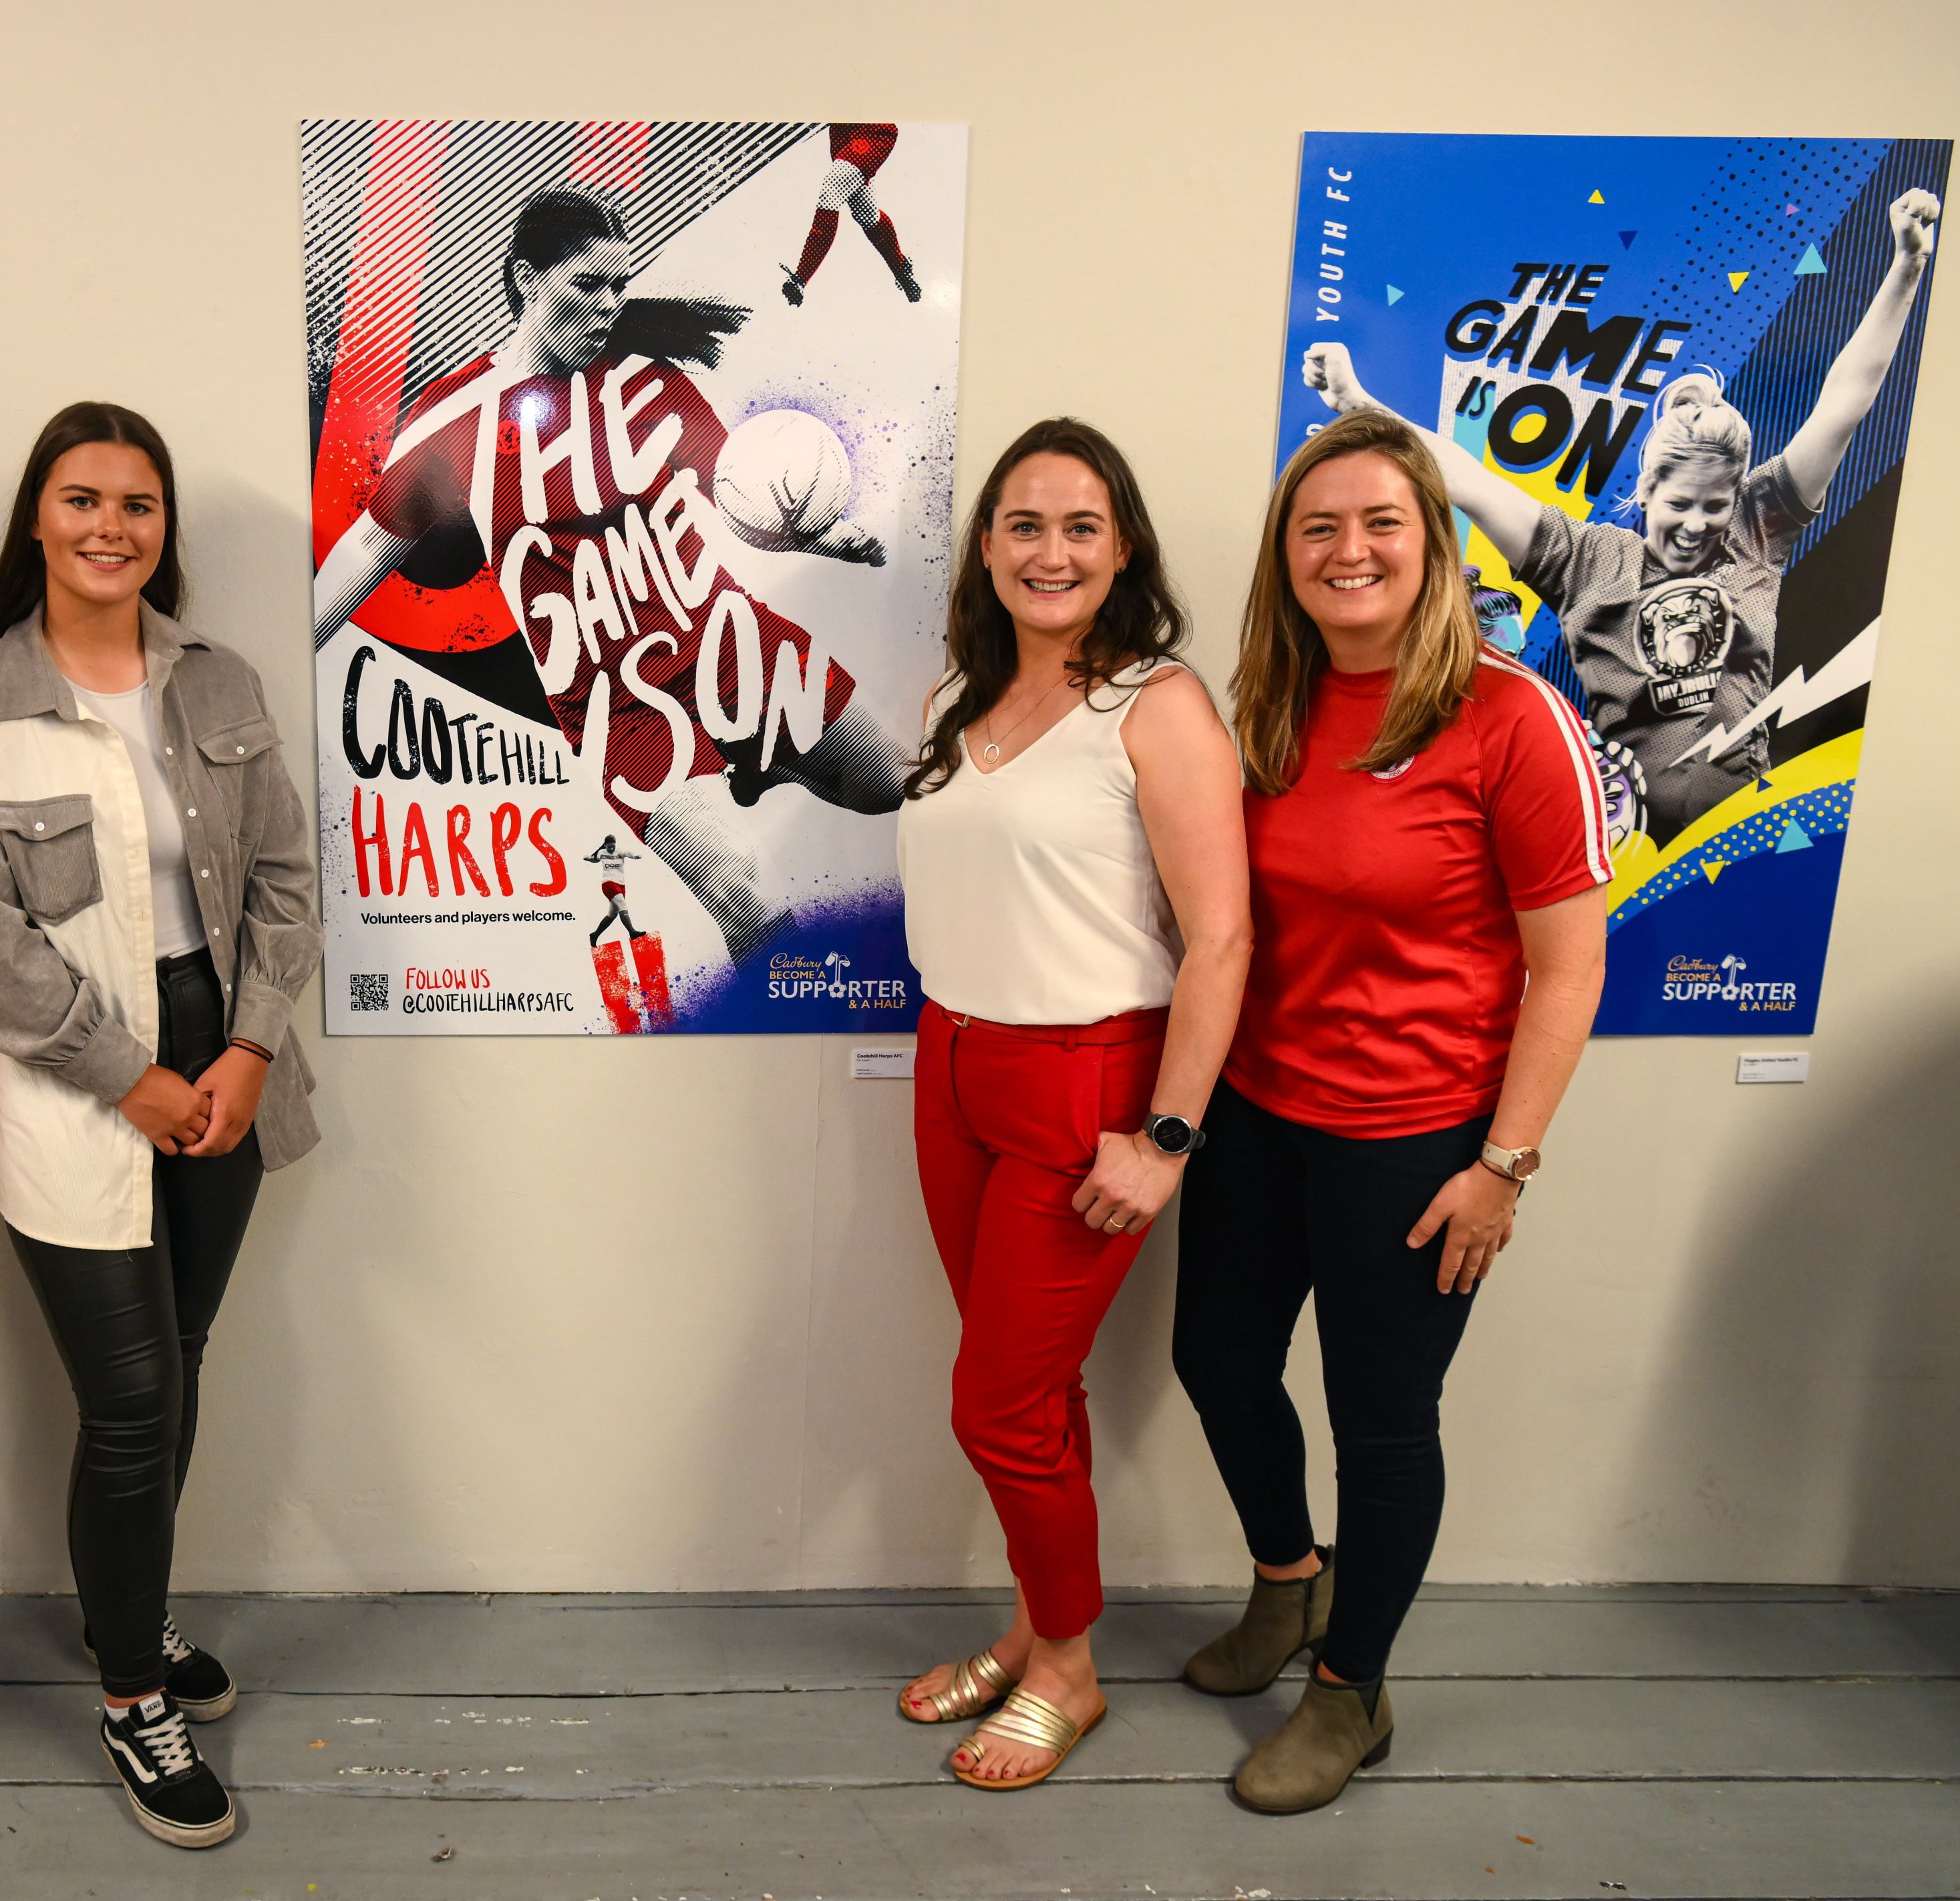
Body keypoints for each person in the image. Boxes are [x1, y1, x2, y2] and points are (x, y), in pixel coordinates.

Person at [1172, 410, 1611, 1814]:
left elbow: (1567, 961)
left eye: (1378, 523)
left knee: (1379, 1417)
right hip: (1258, 1109)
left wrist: (1504, 1165)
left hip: (1416, 1140)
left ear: (1431, 544)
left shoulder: (1506, 715)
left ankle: (1350, 1688)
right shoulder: (1264, 703)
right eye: (1317, 528)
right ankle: (1289, 1584)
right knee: (1217, 1363)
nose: (1346, 549)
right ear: (1282, 558)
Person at [0, 402, 322, 1852]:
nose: (110, 527)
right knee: (132, 1398)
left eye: (137, 504)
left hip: (226, 1057)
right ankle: (133, 1688)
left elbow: (280, 874)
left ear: (162, 529)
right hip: (79, 1084)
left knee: (184, 1358)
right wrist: (127, 1075)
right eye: (81, 500)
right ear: (38, 519)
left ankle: (123, 1623)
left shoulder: (217, 683)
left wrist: (253, 1045)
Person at [892, 419, 1251, 1791]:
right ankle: (1038, 1624)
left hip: (1085, 1077)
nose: (1049, 550)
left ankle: (1067, 1668)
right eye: (1023, 525)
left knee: (993, 1402)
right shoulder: (952, 704)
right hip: (951, 1066)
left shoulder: (1155, 705)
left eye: (1079, 527)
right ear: (985, 547)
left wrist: (1162, 1135)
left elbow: (1218, 939)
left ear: (1122, 552)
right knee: (1025, 1392)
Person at [314, 186, 903, 963]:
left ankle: (761, 760)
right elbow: (365, 548)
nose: (608, 306)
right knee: (740, 884)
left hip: (728, 647)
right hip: (612, 703)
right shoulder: (457, 420)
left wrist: (827, 541)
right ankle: (761, 1046)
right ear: (528, 281)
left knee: (892, 786)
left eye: (619, 287)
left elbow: (742, 504)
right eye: (587, 286)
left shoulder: (650, 387)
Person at [1301, 187, 1941, 837]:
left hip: (1743, 841)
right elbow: (1462, 478)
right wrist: (1357, 403)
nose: (1697, 522)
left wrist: (1906, 266)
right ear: (1648, 490)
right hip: (1616, 852)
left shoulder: (1757, 530)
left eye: (1715, 505)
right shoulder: (1585, 559)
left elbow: (1844, 403)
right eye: (1680, 504)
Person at [780, 122, 921, 306]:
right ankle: (901, 267)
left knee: (833, 190)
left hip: (873, 129)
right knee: (865, 212)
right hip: (842, 132)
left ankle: (800, 278)